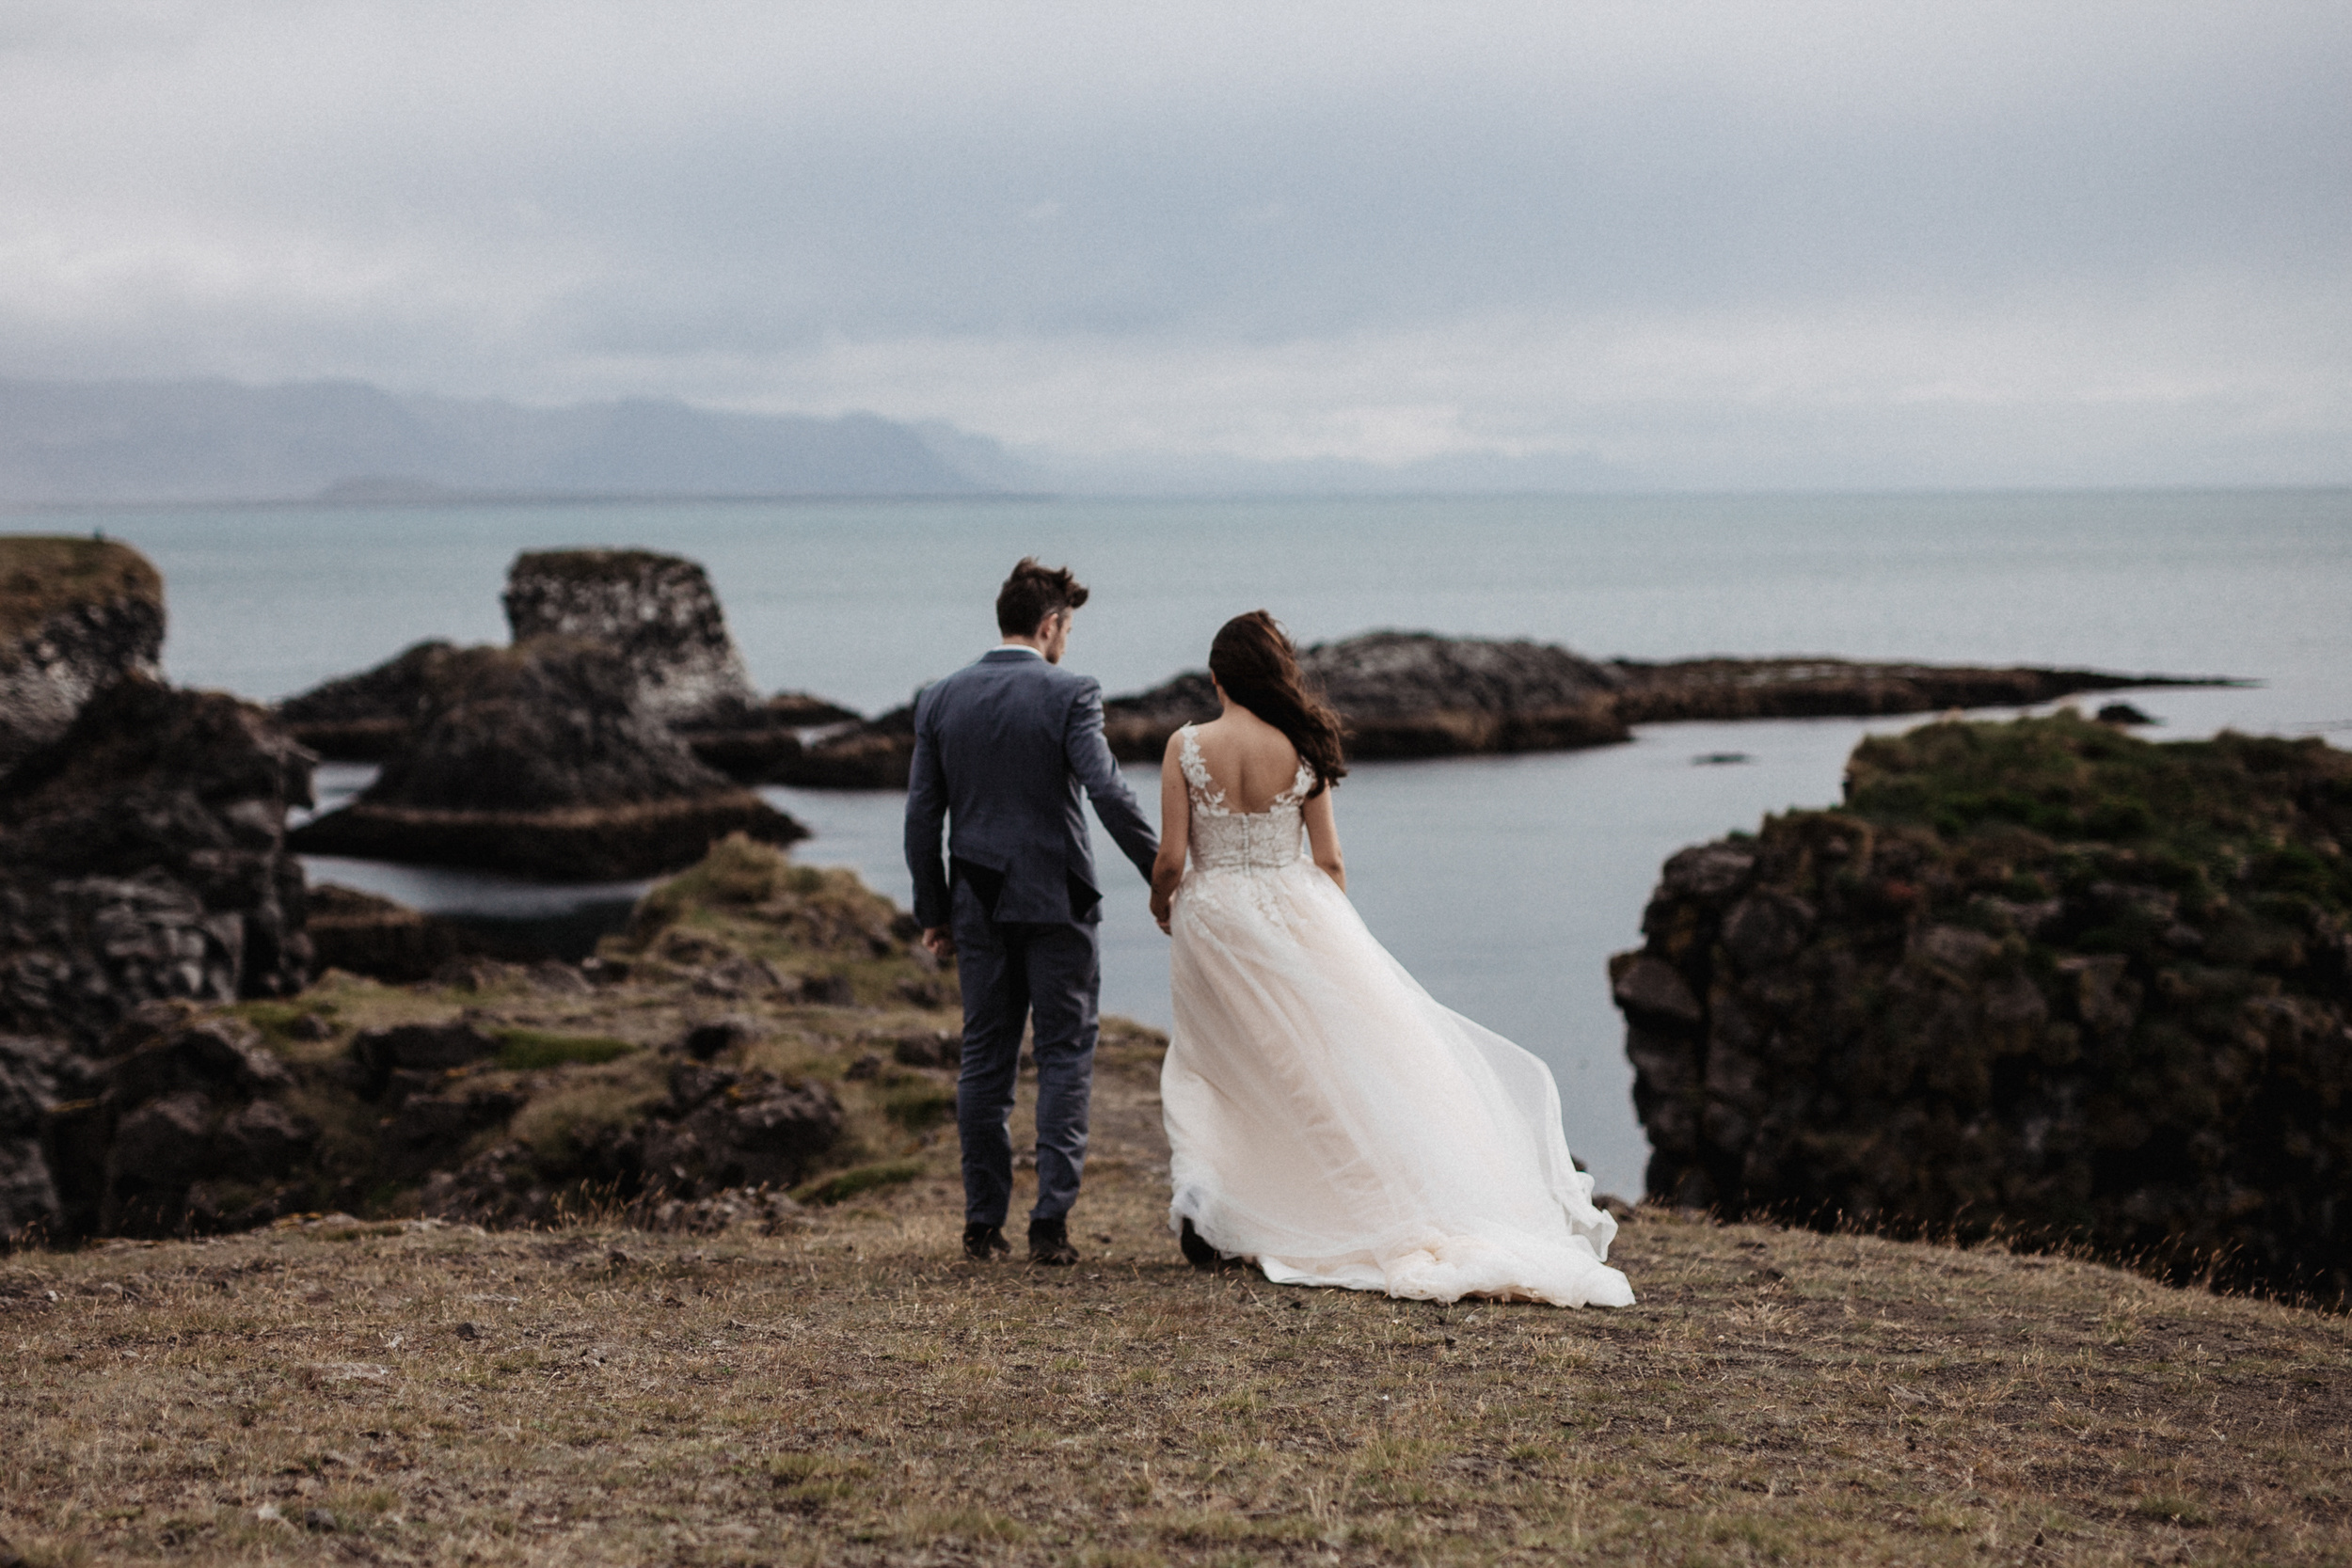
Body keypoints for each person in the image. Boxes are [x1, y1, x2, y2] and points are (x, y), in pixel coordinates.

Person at [1149, 611, 1634, 1307]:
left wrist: (1164, 903)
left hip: (1214, 917)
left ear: (1218, 678)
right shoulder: (1304, 746)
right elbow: (1331, 859)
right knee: (1315, 1066)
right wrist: (1326, 933)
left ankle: (1220, 1212)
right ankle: (1284, 1206)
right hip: (1298, 909)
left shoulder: (1185, 746)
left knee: (1215, 1065)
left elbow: (1171, 857)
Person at [905, 559, 1159, 1265]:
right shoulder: (1071, 692)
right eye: (1067, 628)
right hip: (1059, 897)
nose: (1067, 643)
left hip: (978, 901)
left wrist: (934, 907)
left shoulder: (940, 698)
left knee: (984, 1059)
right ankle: (1050, 1222)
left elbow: (923, 817)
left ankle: (982, 1223)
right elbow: (1107, 792)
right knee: (1065, 1053)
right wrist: (1159, 869)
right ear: (1049, 625)